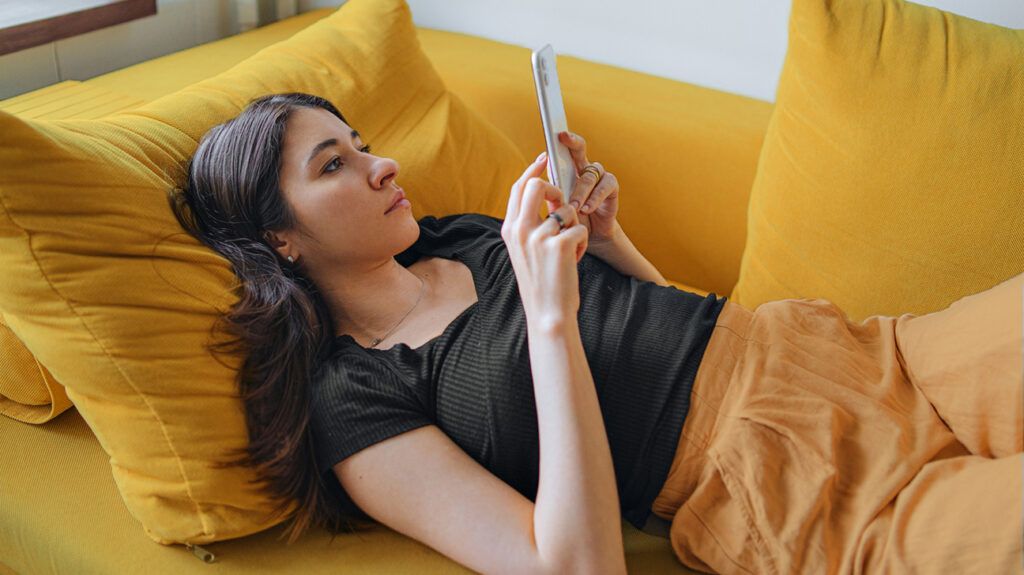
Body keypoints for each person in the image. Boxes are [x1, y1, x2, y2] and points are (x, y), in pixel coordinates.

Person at [169, 92, 1023, 574]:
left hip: (863, 352)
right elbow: (574, 566)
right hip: (788, 485)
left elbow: (669, 335)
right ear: (277, 237)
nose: (380, 163)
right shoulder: (353, 397)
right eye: (334, 165)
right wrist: (549, 317)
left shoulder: (461, 236)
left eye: (360, 143)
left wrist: (608, 243)